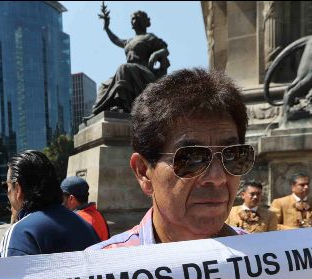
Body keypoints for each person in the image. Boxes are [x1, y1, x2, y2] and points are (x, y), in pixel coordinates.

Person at [88, 68, 254, 250]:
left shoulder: (268, 260)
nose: (217, 177)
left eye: (233, 155)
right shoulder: (104, 270)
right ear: (144, 172)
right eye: (192, 158)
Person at [0, 151, 100, 279]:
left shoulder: (20, 233)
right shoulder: (87, 227)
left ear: (17, 189)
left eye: (7, 186)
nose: (7, 193)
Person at [90, 6, 170, 116]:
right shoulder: (129, 41)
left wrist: (156, 54)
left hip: (144, 72)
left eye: (135, 18)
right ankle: (100, 111)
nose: (132, 21)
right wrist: (107, 27)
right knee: (104, 85)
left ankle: (122, 104)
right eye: (131, 19)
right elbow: (116, 40)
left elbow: (165, 50)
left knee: (123, 68)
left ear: (142, 21)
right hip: (129, 72)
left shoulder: (149, 38)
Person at [61, 176, 109, 241]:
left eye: (62, 198)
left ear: (71, 199)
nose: (61, 203)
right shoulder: (98, 214)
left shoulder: (74, 220)